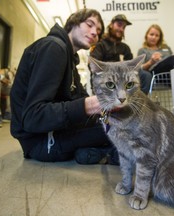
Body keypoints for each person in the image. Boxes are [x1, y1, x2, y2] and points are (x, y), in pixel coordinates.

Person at [10, 8, 119, 165]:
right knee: (127, 130)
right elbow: (33, 117)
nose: (95, 32)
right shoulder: (54, 48)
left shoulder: (70, 61)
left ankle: (94, 152)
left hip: (51, 134)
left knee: (118, 123)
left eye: (99, 30)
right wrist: (90, 105)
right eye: (90, 24)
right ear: (73, 23)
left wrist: (106, 108)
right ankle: (107, 153)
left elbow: (80, 99)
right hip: (42, 141)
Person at [90, 14, 152, 94]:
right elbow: (93, 66)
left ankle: (140, 101)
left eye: (124, 27)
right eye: (119, 25)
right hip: (107, 82)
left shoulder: (125, 48)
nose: (121, 29)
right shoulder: (100, 45)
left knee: (146, 75)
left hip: (123, 81)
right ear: (111, 25)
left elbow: (131, 68)